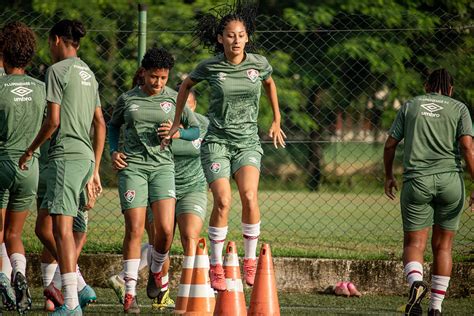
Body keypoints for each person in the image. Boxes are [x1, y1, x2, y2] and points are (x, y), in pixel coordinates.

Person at [162, 2, 286, 291]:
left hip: (247, 143)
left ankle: (250, 261)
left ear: (247, 38)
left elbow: (270, 83)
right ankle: (216, 264)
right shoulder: (210, 66)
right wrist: (178, 121)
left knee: (249, 196)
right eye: (230, 35)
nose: (236, 40)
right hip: (217, 142)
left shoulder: (259, 63)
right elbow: (185, 86)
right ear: (221, 38)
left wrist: (277, 119)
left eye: (241, 35)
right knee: (223, 201)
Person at [19, 19, 105, 315]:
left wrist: (30, 149)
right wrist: (95, 167)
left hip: (65, 155)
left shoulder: (57, 71)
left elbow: (53, 121)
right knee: (44, 228)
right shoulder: (88, 73)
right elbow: (100, 123)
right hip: (82, 158)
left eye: (49, 42)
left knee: (61, 230)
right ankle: (78, 283)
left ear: (56, 40)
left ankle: (71, 303)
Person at [108, 47, 199, 313]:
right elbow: (113, 126)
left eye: (163, 78)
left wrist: (177, 133)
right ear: (144, 73)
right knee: (135, 228)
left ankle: (156, 271)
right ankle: (130, 293)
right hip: (133, 168)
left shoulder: (175, 98)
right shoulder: (127, 99)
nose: (158, 83)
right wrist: (114, 151)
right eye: (153, 77)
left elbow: (194, 129)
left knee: (166, 231)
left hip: (162, 168)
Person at [384, 68, 473, 316]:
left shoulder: (411, 105)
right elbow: (467, 148)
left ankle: (416, 284)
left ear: (426, 86)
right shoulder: (459, 108)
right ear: (451, 89)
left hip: (417, 182)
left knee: (414, 243)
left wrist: (389, 176)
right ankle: (436, 307)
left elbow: (390, 144)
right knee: (443, 247)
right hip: (451, 182)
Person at [0, 21, 44, 314]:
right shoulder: (41, 89)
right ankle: (19, 273)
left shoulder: (0, 87)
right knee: (14, 234)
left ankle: (3, 280)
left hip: (2, 163)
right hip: (31, 167)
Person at [36, 138, 97, 312]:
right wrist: (93, 171)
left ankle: (53, 292)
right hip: (68, 163)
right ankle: (76, 285)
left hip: (48, 164)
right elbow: (98, 125)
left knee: (52, 229)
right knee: (68, 232)